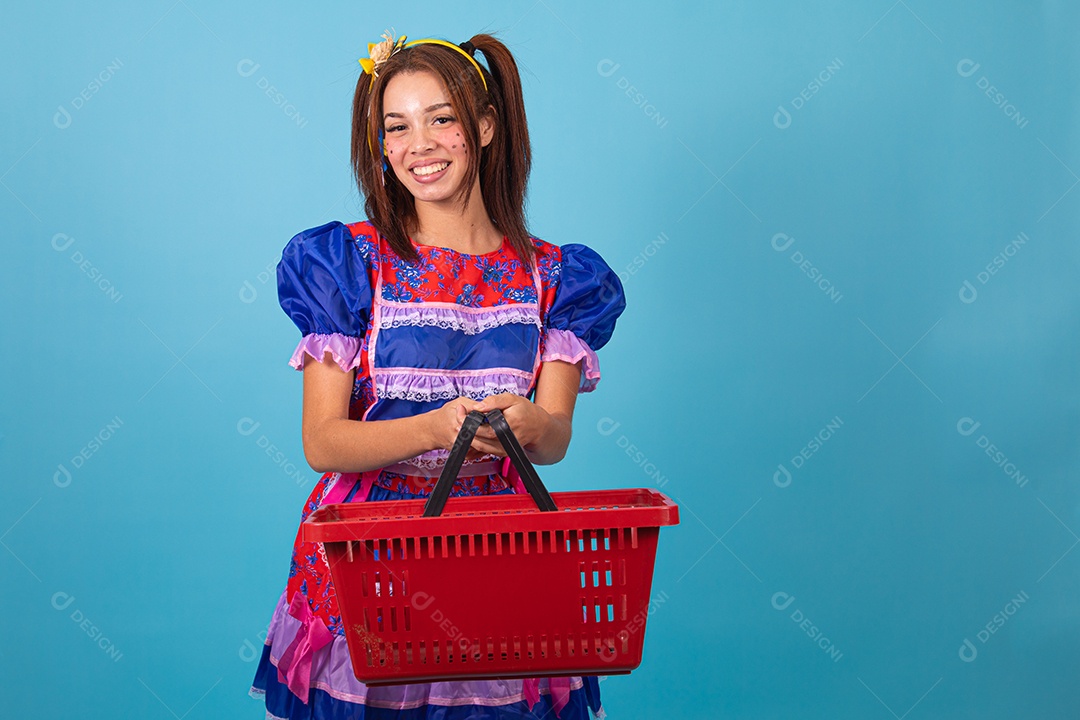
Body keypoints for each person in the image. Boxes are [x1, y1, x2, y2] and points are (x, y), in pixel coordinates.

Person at [249, 30, 626, 719]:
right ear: (382, 149)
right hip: (368, 561)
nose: (418, 144)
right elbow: (322, 443)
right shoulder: (350, 265)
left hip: (496, 550)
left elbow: (552, 439)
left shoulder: (555, 278)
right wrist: (438, 425)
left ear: (484, 127)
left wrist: (529, 420)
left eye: (441, 119)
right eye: (397, 127)